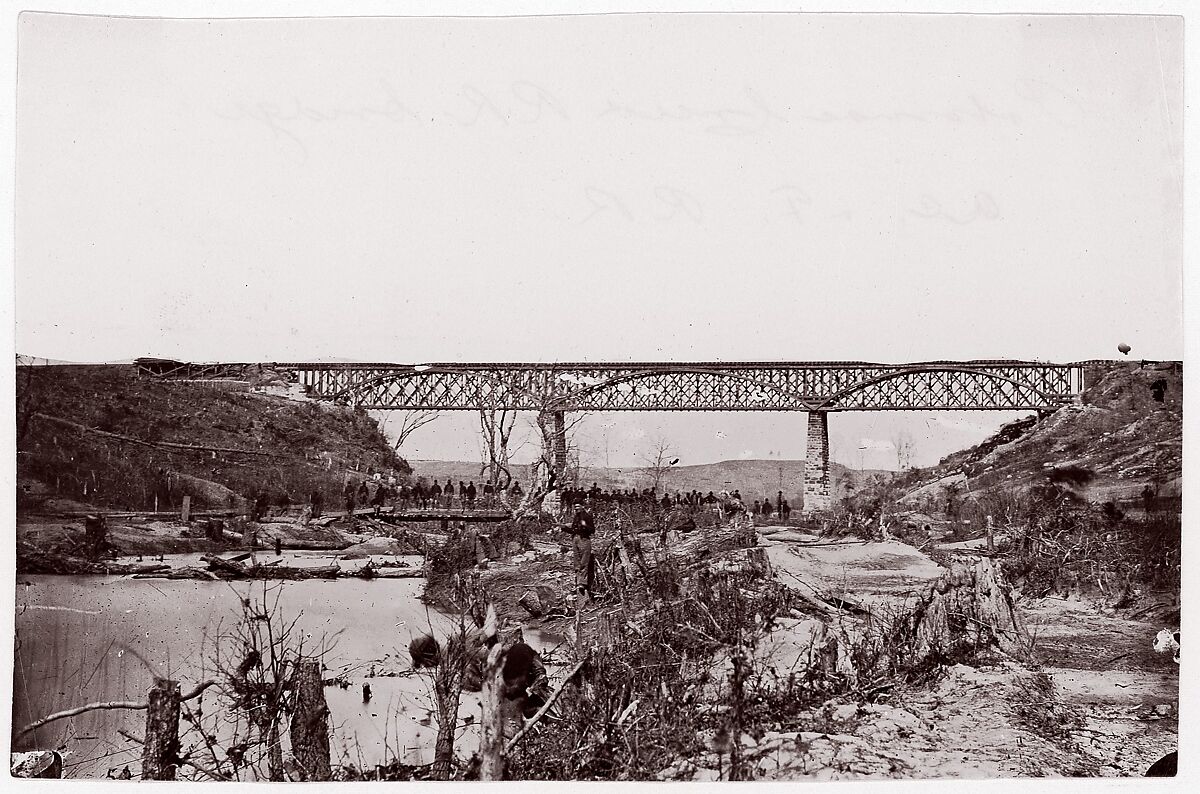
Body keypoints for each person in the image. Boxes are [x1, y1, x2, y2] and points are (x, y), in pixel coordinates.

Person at [564, 501, 595, 598]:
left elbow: (592, 530)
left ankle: (582, 583)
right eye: (575, 508)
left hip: (584, 539)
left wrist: (585, 526)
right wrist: (564, 528)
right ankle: (578, 583)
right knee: (577, 562)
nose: (576, 509)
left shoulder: (587, 516)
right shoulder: (576, 517)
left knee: (583, 562)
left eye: (578, 507)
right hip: (576, 539)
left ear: (582, 507)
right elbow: (574, 529)